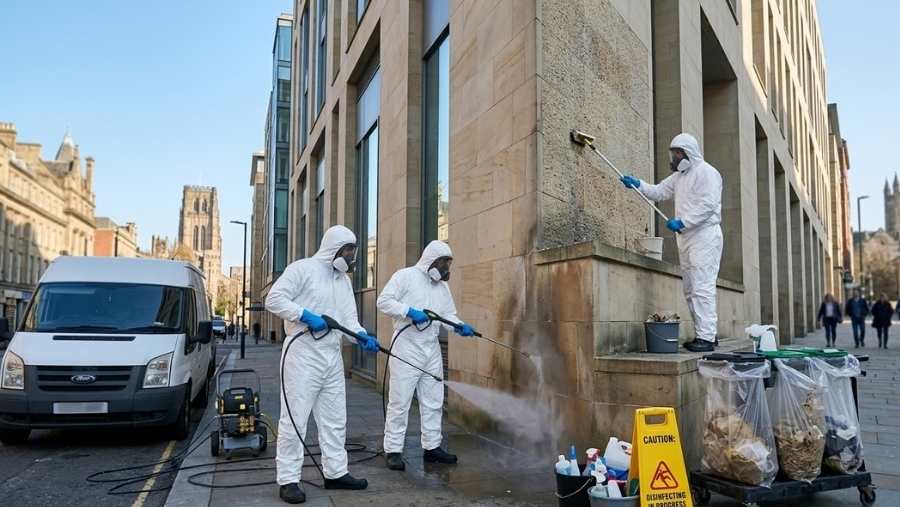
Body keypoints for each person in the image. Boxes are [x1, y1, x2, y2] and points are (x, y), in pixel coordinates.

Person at [265, 225, 380, 504]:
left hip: (331, 356)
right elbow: (274, 299)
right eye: (348, 251)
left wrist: (361, 335)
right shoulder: (302, 269)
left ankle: (336, 472)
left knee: (334, 419)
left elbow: (348, 320)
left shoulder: (343, 281)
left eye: (354, 251)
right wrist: (304, 314)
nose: (352, 257)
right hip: (302, 354)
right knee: (295, 419)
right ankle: (289, 479)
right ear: (334, 248)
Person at [376, 240, 476, 471]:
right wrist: (409, 311)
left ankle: (432, 447)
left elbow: (448, 314)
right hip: (406, 346)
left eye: (448, 263)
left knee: (433, 400)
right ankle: (392, 449)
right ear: (431, 259)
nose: (445, 268)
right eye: (443, 262)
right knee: (400, 401)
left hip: (430, 347)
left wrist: (459, 326)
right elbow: (384, 301)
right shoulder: (405, 276)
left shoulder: (442, 287)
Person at [620, 133, 723, 352]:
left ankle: (707, 337)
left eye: (677, 153)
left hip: (704, 235)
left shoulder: (707, 173)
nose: (674, 157)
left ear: (688, 152)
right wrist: (638, 184)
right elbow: (658, 191)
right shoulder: (679, 177)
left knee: (702, 287)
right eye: (673, 153)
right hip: (686, 237)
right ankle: (704, 335)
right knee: (689, 288)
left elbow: (708, 205)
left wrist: (684, 222)